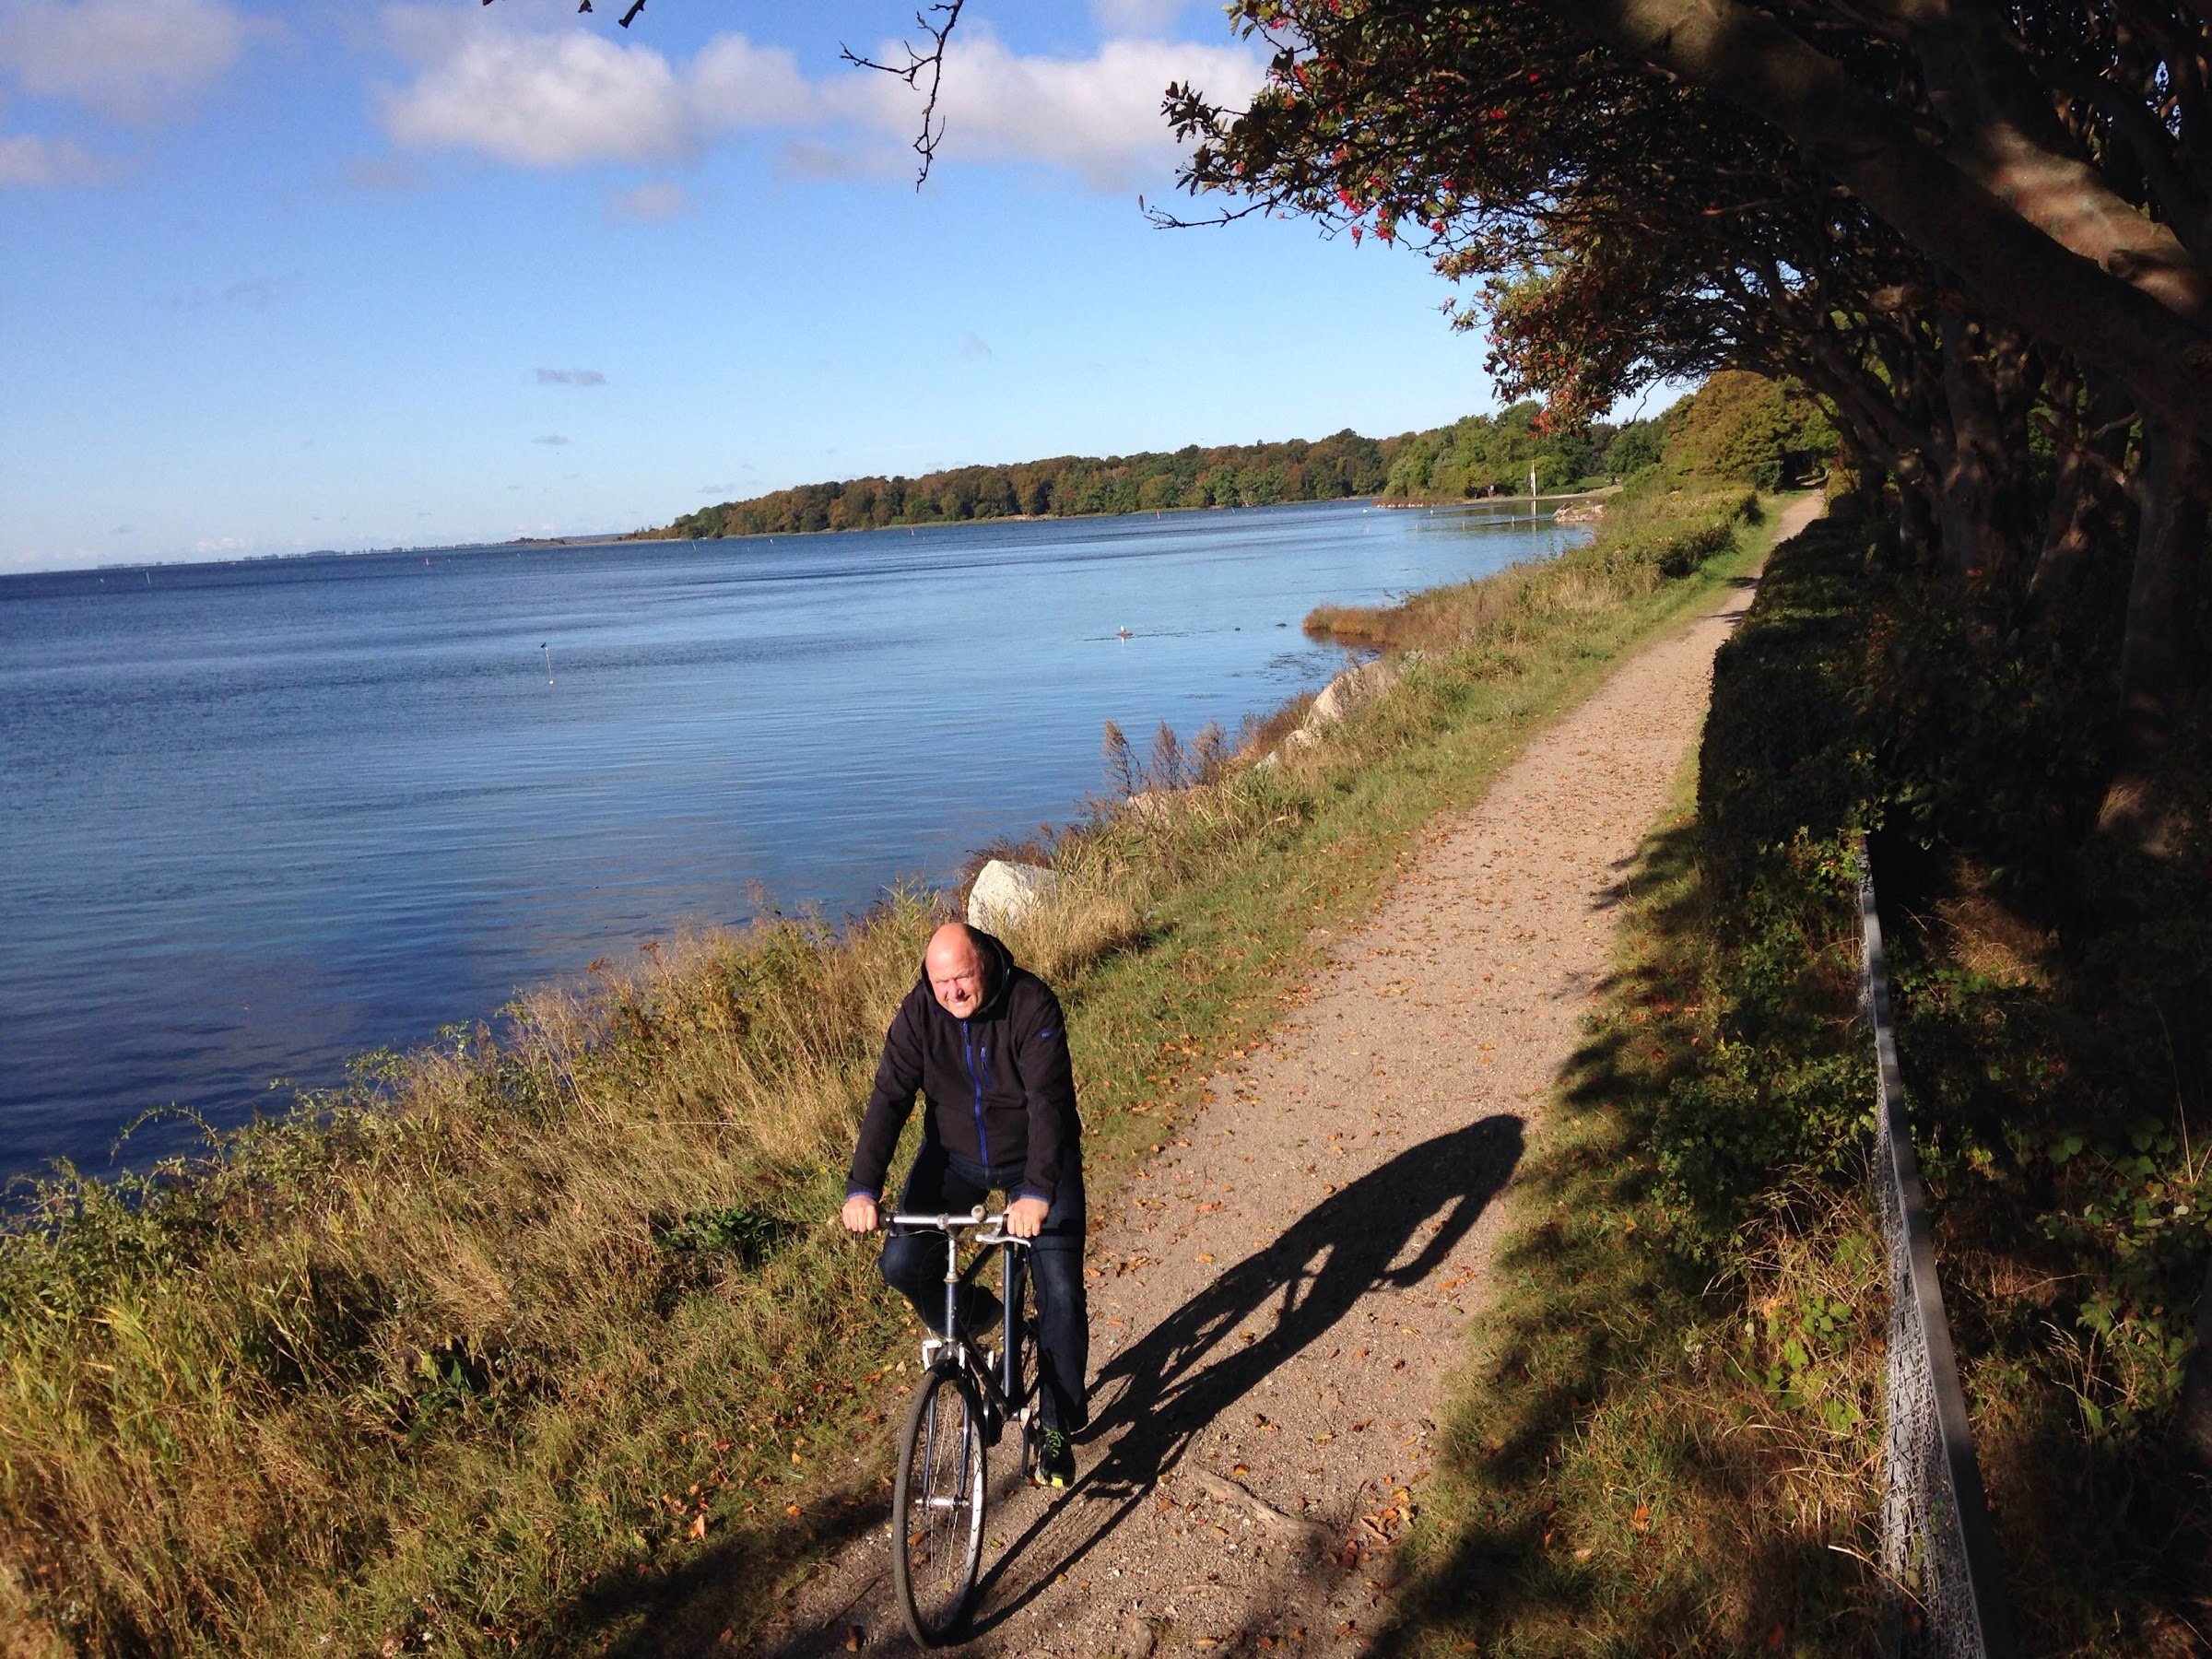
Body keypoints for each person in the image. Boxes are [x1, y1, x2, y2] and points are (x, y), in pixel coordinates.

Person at [841, 920, 1088, 1488]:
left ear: (985, 963)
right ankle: (980, 1319)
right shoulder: (920, 1013)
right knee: (902, 1263)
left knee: (1061, 1293)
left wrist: (1036, 1192)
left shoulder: (1031, 1004)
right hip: (954, 1158)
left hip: (1035, 1160)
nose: (952, 991)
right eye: (940, 981)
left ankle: (1057, 1425)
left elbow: (1049, 1103)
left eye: (961, 977)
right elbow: (890, 1096)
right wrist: (862, 1187)